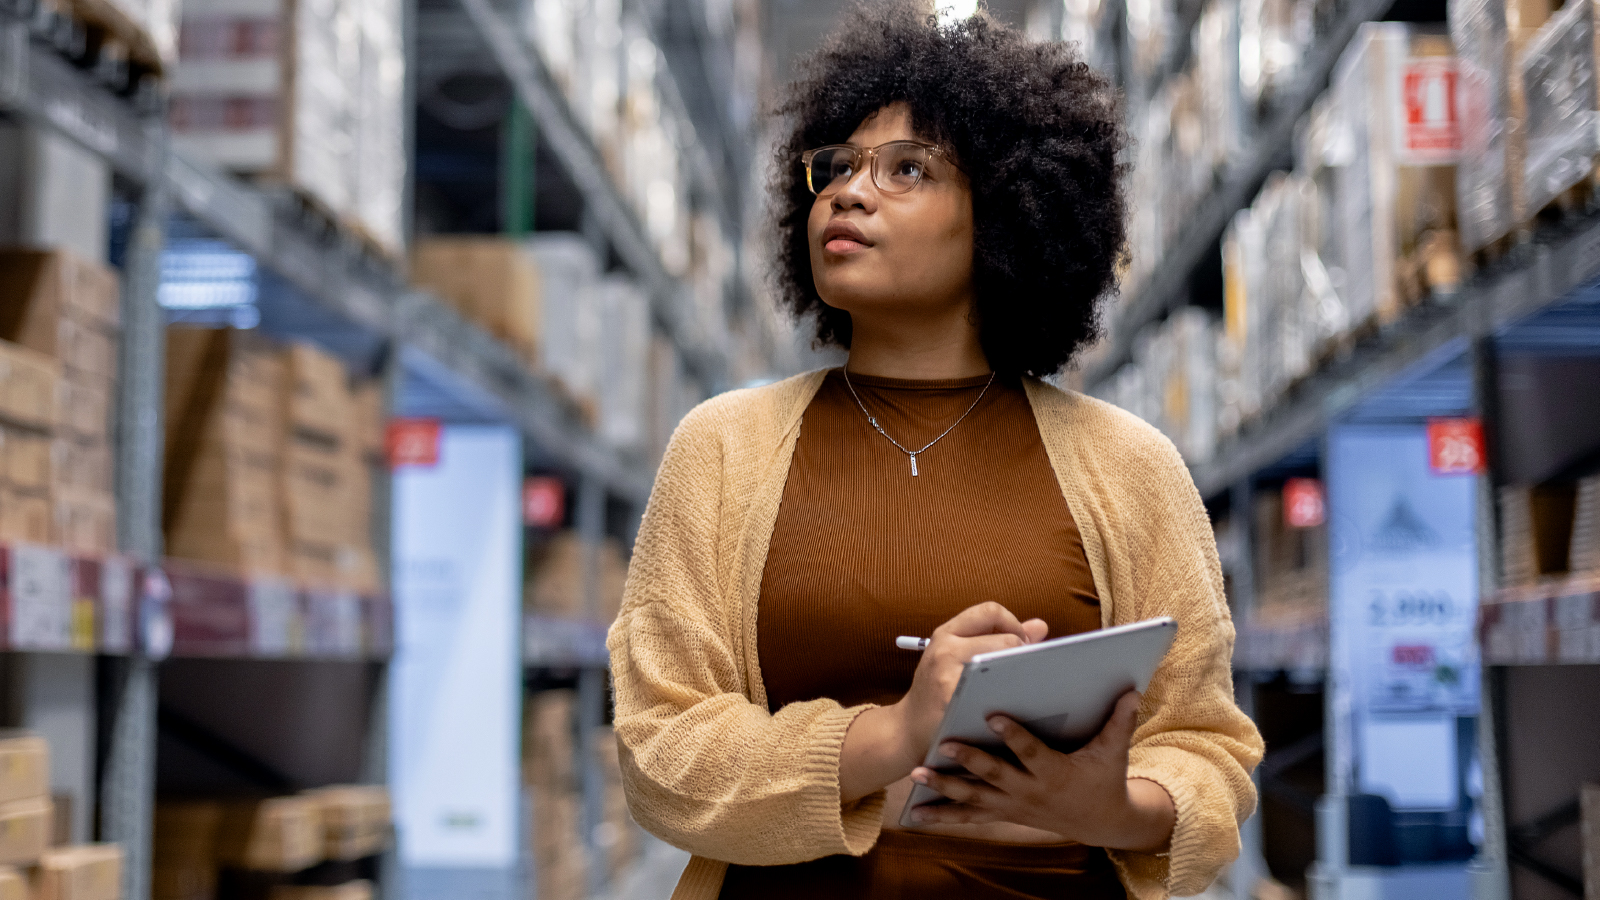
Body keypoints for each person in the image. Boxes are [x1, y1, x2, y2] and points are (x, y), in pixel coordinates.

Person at [605, 3, 1263, 898]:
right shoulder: (721, 450)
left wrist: (1114, 809)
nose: (847, 191)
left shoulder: (1128, 465)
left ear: (1002, 210)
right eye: (834, 167)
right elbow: (660, 751)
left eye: (906, 169)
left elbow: (1207, 749)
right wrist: (896, 732)